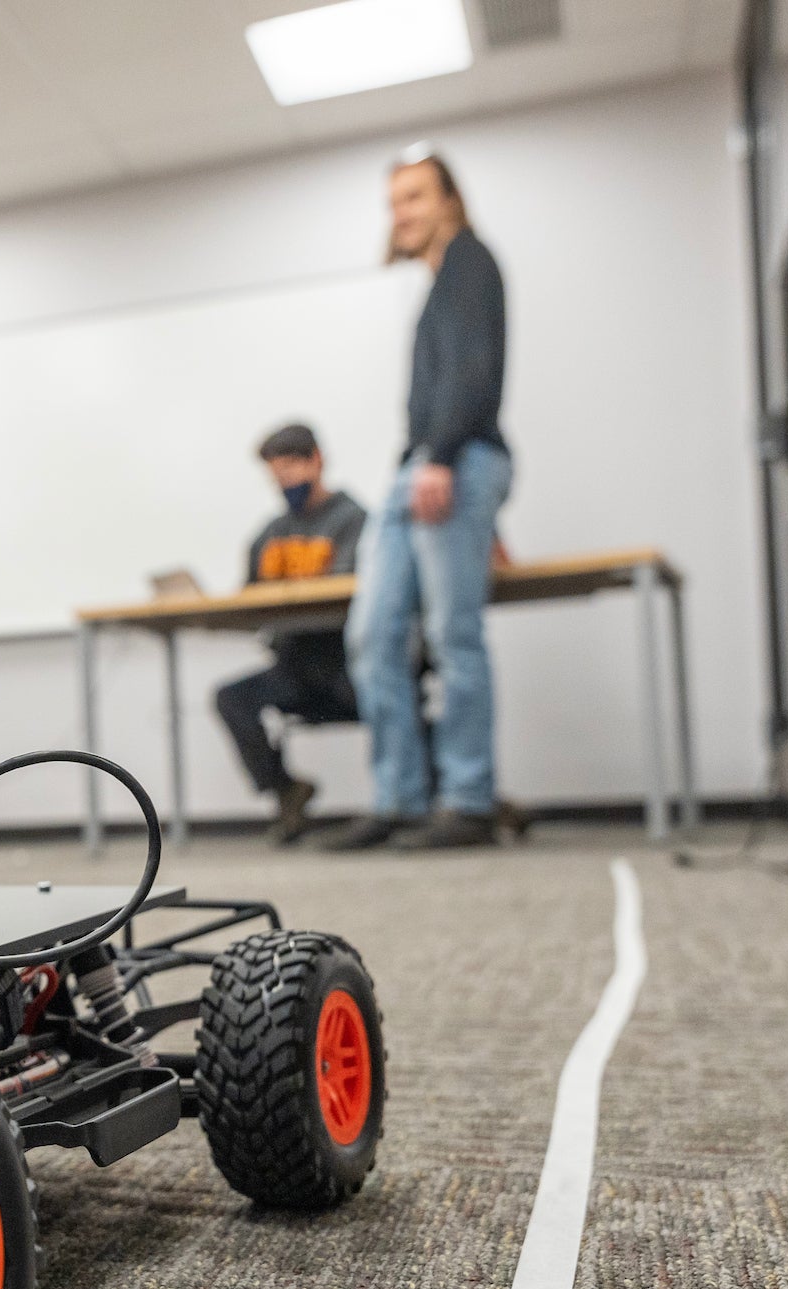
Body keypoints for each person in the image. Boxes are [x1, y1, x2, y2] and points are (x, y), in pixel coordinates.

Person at [324, 149, 514, 851]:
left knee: (452, 635)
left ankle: (468, 799)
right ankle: (399, 798)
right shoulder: (439, 280)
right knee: (372, 637)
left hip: (452, 462)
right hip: (419, 471)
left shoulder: (470, 260)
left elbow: (472, 372)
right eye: (394, 201)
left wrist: (442, 461)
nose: (401, 212)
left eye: (414, 197)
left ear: (450, 203)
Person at [213, 423, 367, 844]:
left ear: (316, 460)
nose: (284, 480)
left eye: (291, 467)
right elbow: (249, 597)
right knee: (232, 697)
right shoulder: (272, 532)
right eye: (275, 472)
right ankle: (286, 791)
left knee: (393, 700)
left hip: (346, 665)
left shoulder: (353, 520)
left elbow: (345, 592)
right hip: (295, 666)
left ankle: (454, 795)